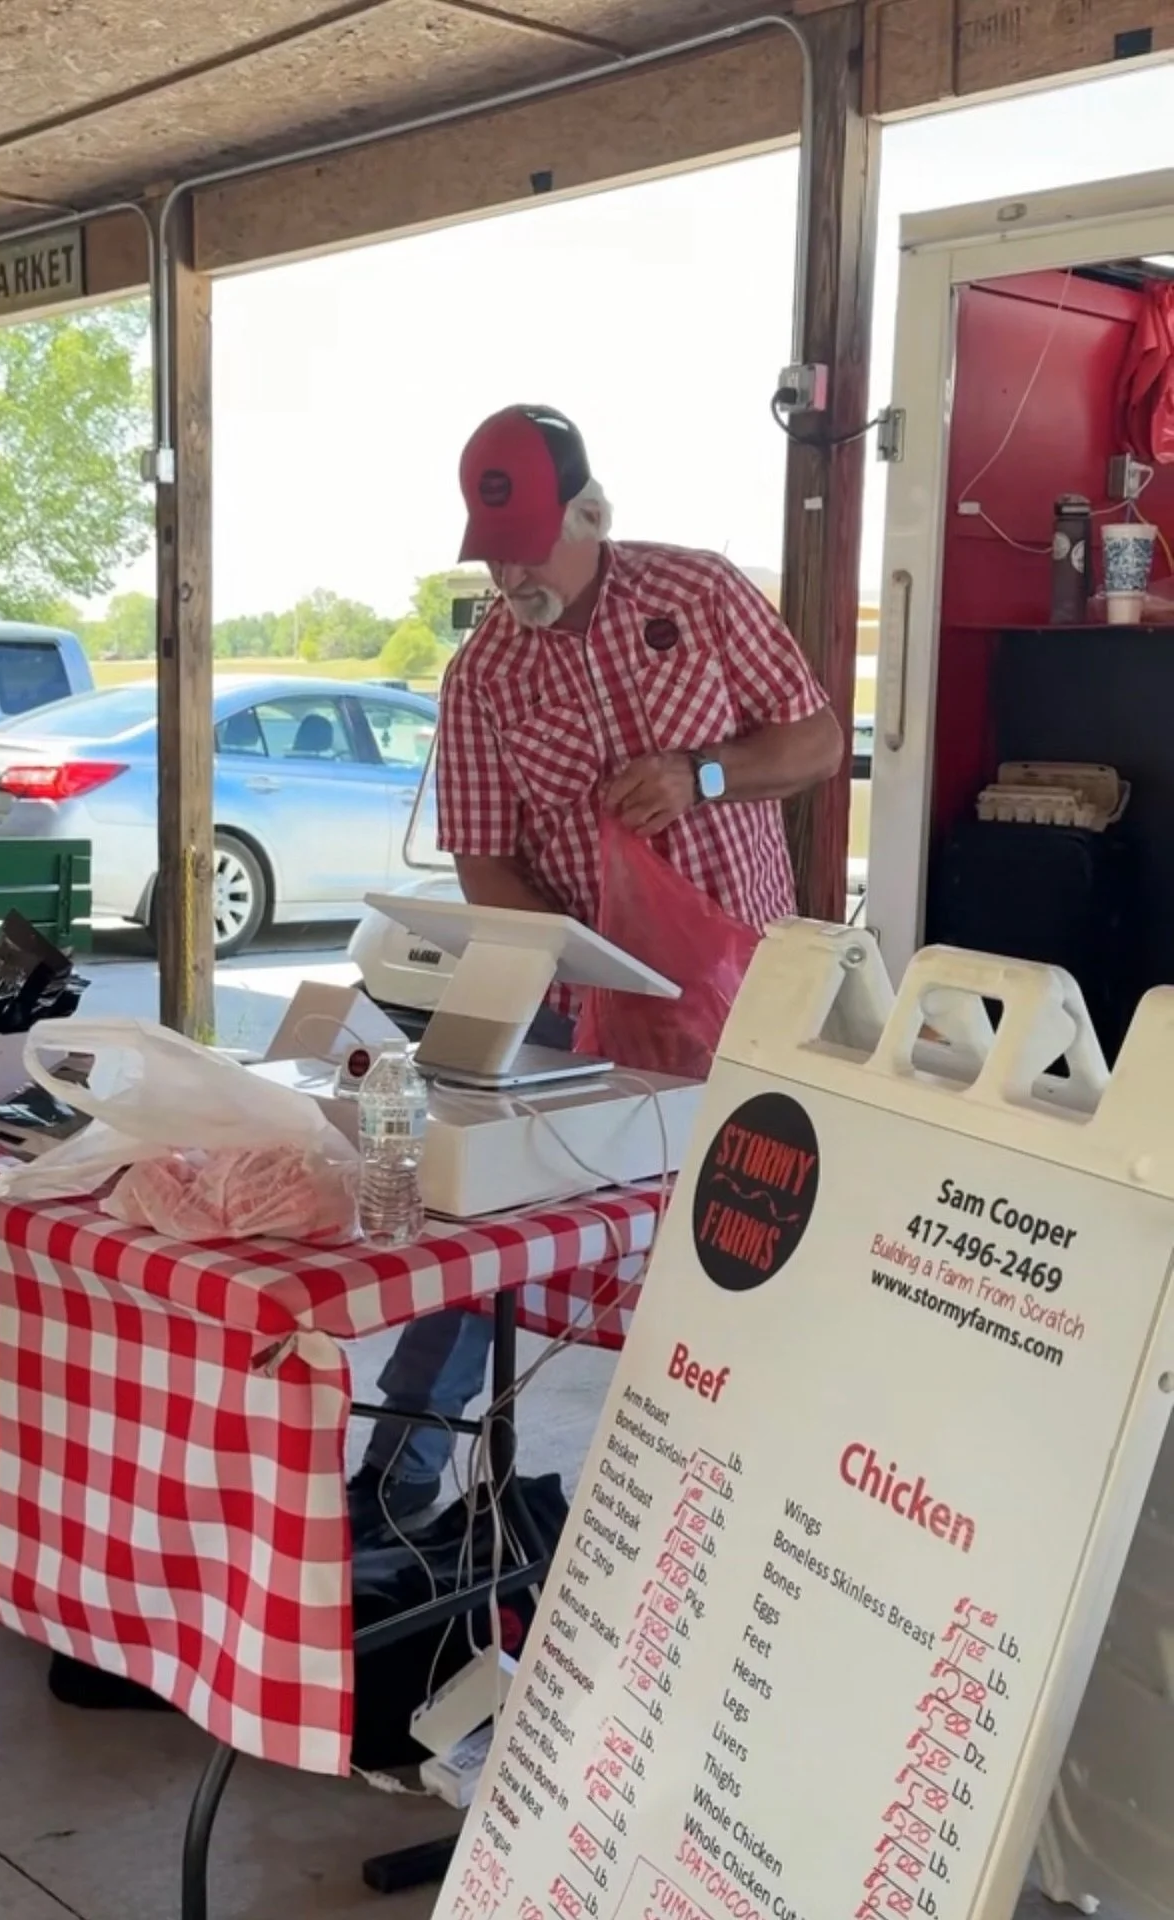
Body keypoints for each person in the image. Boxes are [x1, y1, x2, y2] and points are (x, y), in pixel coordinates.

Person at [347, 403, 842, 1543]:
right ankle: (397, 1483)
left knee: (750, 1239)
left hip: (748, 992)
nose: (513, 576)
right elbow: (485, 861)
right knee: (489, 1228)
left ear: (589, 513)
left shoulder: (699, 594)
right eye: (494, 553)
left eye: (529, 547)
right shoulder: (482, 674)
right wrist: (582, 961)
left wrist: (701, 774)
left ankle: (742, 1497)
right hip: (584, 1004)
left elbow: (815, 743)